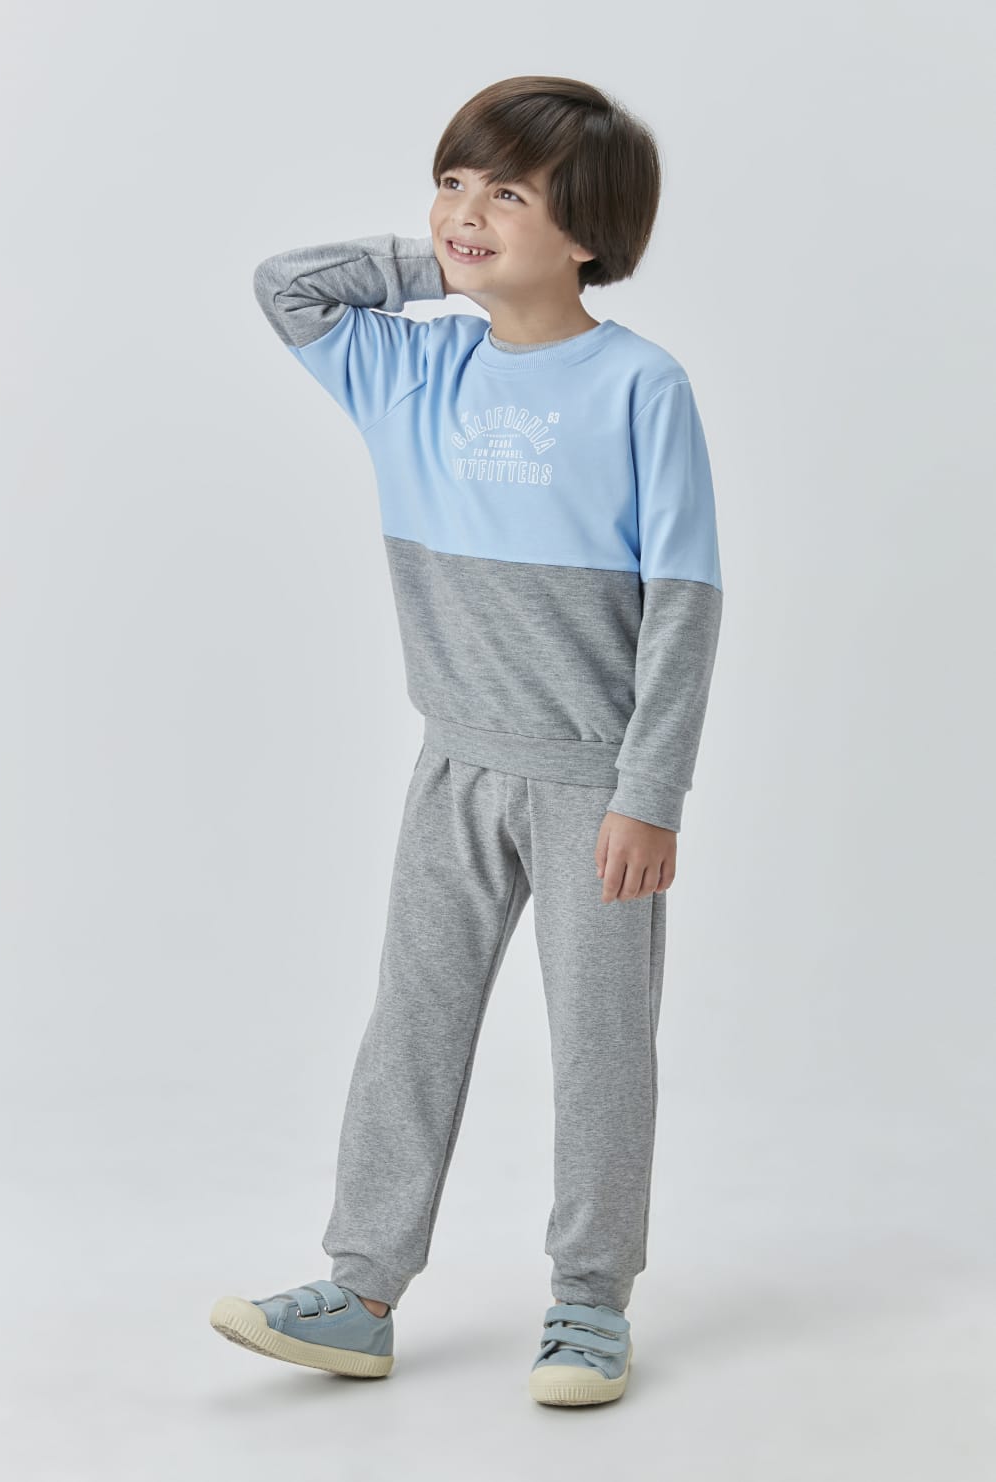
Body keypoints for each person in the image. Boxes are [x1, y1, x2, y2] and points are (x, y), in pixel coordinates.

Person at [210, 74, 723, 1407]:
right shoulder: (411, 366)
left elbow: (685, 601)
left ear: (589, 231)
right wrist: (436, 264)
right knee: (412, 1025)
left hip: (596, 782)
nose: (464, 212)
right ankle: (361, 1290)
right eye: (451, 184)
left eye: (506, 192)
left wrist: (652, 789)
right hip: (453, 765)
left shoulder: (641, 386)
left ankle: (590, 1301)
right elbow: (285, 287)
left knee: (600, 1048)